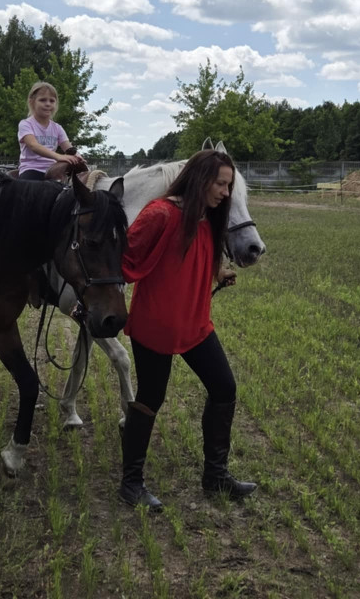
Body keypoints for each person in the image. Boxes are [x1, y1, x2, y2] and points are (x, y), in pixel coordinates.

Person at [118, 149, 257, 512]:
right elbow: (125, 259)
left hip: (195, 322)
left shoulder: (207, 216)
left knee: (224, 388)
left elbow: (198, 255)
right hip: (157, 324)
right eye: (221, 184)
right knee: (151, 398)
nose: (226, 193)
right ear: (199, 179)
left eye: (229, 185)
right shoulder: (160, 213)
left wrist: (217, 273)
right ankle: (131, 483)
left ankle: (216, 475)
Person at [16, 81, 85, 181]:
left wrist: (78, 156)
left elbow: (68, 148)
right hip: (31, 169)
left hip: (53, 170)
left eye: (52, 101)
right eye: (42, 100)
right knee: (27, 191)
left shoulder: (57, 128)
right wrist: (58, 156)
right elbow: (33, 145)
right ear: (32, 102)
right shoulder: (26, 124)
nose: (48, 104)